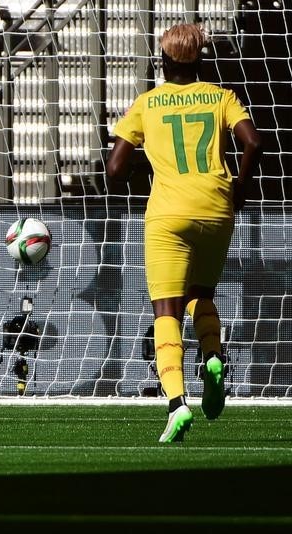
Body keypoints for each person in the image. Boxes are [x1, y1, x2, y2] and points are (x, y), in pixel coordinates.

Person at [106, 23, 263, 443]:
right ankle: (213, 356)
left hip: (169, 213)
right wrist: (240, 189)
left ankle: (176, 403)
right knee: (201, 296)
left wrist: (151, 166)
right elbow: (254, 142)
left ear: (163, 61)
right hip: (216, 208)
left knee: (167, 311)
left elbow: (115, 170)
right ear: (201, 60)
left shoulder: (148, 102)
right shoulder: (221, 96)